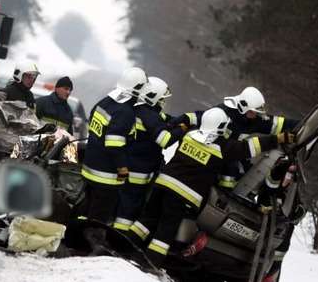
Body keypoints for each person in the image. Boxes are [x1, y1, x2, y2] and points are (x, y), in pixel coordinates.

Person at [129, 107, 295, 266]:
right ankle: (151, 260)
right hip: (182, 194)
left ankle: (126, 244)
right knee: (166, 228)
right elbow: (249, 147)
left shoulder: (190, 135)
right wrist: (278, 139)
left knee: (146, 218)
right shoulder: (222, 147)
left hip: (163, 183)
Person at [188, 159, 305, 282]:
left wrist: (295, 212)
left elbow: (294, 212)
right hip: (261, 245)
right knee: (239, 277)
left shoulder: (293, 191)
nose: (289, 177)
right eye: (287, 173)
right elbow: (268, 189)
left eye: (291, 174)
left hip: (272, 251)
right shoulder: (273, 176)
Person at [173, 87, 300, 191]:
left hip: (233, 153)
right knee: (229, 170)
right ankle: (220, 195)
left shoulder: (253, 119)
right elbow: (199, 118)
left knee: (246, 171)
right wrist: (178, 123)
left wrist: (303, 126)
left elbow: (279, 124)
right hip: (211, 156)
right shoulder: (221, 114)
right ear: (242, 107)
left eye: (256, 112)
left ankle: (227, 195)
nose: (255, 115)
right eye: (252, 112)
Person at [78, 67, 147, 254]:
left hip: (90, 167)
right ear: (137, 89)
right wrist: (122, 167)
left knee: (87, 207)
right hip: (106, 174)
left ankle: (77, 239)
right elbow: (114, 144)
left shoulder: (106, 101)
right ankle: (91, 245)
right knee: (100, 214)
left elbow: (92, 120)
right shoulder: (125, 112)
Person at [113, 77, 186, 231]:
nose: (163, 103)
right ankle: (119, 235)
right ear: (153, 97)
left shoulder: (136, 110)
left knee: (120, 202)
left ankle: (113, 230)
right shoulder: (150, 116)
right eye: (162, 99)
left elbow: (161, 120)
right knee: (129, 208)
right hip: (138, 171)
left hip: (125, 165)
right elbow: (165, 140)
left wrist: (179, 120)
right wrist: (182, 128)